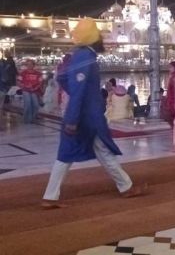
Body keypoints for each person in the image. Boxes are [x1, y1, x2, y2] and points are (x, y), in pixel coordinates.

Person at [41, 18, 146, 209]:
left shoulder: (79, 55)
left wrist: (75, 100)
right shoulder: (85, 57)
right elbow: (78, 89)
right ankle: (126, 187)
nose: (102, 38)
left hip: (83, 114)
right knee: (91, 152)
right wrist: (73, 118)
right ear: (92, 37)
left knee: (74, 154)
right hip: (86, 117)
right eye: (98, 34)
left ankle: (51, 196)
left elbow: (63, 77)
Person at [17, 58, 42, 124]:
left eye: (31, 64)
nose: (29, 66)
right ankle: (26, 119)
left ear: (33, 65)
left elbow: (40, 82)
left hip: (34, 91)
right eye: (28, 64)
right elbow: (19, 82)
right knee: (28, 104)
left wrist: (35, 88)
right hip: (26, 90)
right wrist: (24, 86)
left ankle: (33, 118)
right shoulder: (23, 73)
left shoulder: (38, 73)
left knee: (36, 105)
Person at [161, 61, 175, 127]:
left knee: (172, 120)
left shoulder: (174, 77)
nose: (169, 69)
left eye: (171, 67)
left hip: (173, 103)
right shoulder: (174, 76)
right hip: (172, 102)